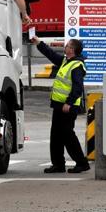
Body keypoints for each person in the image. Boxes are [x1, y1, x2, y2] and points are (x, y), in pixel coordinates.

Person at [30, 36, 90, 174]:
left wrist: (68, 102)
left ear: (72, 50)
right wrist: (39, 43)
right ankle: (58, 164)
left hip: (68, 106)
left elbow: (77, 87)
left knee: (68, 135)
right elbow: (50, 54)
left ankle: (82, 163)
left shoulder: (77, 66)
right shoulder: (66, 61)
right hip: (58, 105)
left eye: (68, 46)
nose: (65, 47)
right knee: (56, 135)